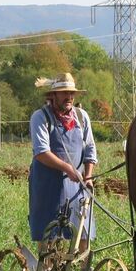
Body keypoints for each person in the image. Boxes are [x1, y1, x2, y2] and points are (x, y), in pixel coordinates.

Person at [29, 73, 97, 255]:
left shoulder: (82, 117)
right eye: (64, 93)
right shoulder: (40, 117)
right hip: (48, 185)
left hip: (78, 185)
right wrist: (68, 168)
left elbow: (90, 150)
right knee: (49, 235)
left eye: (72, 93)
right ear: (53, 96)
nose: (69, 97)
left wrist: (88, 175)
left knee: (83, 233)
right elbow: (42, 153)